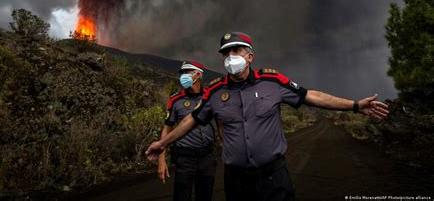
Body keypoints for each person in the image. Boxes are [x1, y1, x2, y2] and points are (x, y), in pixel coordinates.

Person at [146, 32, 390, 201]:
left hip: (273, 178)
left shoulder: (272, 82)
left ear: (250, 56)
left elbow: (311, 96)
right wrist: (162, 145)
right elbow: (191, 120)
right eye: (226, 53)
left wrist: (355, 105)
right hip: (236, 181)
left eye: (236, 51)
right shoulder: (216, 92)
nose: (230, 57)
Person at [158, 61, 218, 201]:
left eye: (188, 72)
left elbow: (221, 124)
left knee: (205, 196)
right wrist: (161, 160)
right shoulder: (176, 100)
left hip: (207, 157)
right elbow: (166, 129)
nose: (183, 76)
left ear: (198, 75)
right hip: (185, 158)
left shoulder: (211, 97)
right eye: (183, 73)